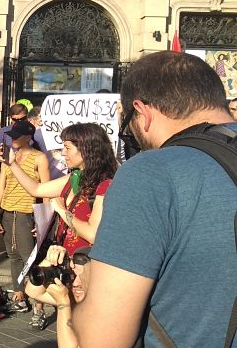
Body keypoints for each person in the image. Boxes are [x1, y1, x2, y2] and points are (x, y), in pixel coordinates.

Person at [73, 52, 237, 347]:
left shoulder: (151, 173)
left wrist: (88, 283)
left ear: (142, 111)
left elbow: (102, 339)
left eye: (128, 129)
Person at [2, 123, 117, 254]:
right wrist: (12, 163)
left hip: (86, 264)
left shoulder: (105, 185)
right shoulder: (74, 177)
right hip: (64, 260)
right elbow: (36, 189)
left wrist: (61, 210)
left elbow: (92, 234)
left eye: (67, 148)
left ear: (86, 149)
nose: (63, 153)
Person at [0, 120, 49, 327]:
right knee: (14, 257)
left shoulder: (39, 158)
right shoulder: (7, 158)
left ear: (29, 137)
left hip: (26, 215)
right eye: (12, 134)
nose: (13, 138)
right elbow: (0, 188)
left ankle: (39, 308)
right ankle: (19, 297)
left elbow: (46, 192)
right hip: (8, 213)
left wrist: (44, 220)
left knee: (31, 260)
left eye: (18, 135)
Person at [25, 245, 92, 348]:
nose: (76, 283)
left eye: (84, 277)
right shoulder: (72, 297)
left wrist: (63, 303)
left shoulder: (101, 307)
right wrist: (49, 261)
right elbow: (32, 291)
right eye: (72, 276)